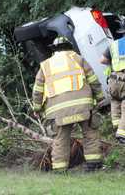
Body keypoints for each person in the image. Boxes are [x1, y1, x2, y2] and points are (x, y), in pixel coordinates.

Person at [32, 36, 104, 173]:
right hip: (83, 106)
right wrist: (99, 97)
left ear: (54, 49)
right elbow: (93, 79)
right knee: (90, 134)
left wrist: (36, 108)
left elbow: (38, 90)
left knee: (60, 140)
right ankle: (93, 166)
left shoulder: (45, 65)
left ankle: (60, 170)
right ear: (69, 46)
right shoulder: (78, 59)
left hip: (58, 111)